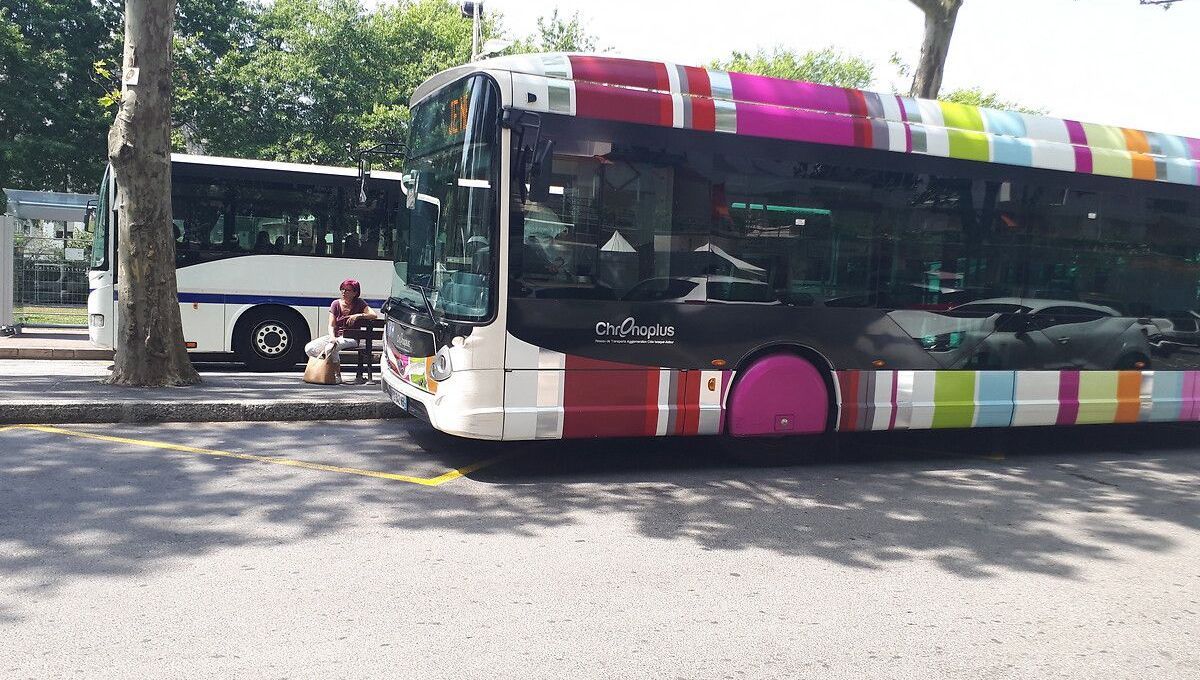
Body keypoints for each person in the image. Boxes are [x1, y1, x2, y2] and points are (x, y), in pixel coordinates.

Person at [304, 279, 377, 383]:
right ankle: (327, 366)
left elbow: (373, 315)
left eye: (347, 290)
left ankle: (337, 376)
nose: (343, 292)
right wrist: (332, 337)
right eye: (342, 289)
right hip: (335, 336)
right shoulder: (336, 304)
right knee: (310, 348)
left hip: (351, 338)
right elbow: (331, 325)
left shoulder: (359, 303)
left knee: (330, 348)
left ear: (355, 293)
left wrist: (358, 315)